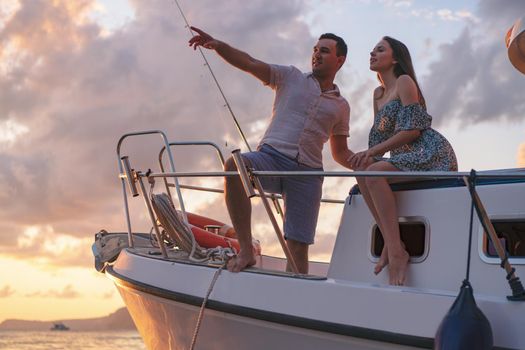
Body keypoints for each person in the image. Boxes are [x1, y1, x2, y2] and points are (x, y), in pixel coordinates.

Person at [189, 27, 353, 274]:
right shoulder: (290, 76)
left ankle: (293, 301)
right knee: (235, 166)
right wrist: (218, 45)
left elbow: (340, 152)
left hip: (307, 174)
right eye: (315, 50)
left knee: (298, 248)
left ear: (339, 60)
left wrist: (367, 164)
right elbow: (249, 62)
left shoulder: (342, 106)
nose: (317, 54)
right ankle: (246, 250)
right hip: (271, 158)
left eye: (325, 51)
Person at [348, 36, 457, 285]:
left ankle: (396, 250)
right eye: (372, 49)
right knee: (362, 169)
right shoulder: (378, 94)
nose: (372, 52)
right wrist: (363, 156)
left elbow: (413, 131)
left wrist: (373, 152)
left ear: (395, 58)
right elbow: (379, 140)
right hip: (403, 155)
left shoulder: (405, 82)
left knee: (373, 172)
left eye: (380, 49)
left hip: (430, 151)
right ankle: (391, 241)